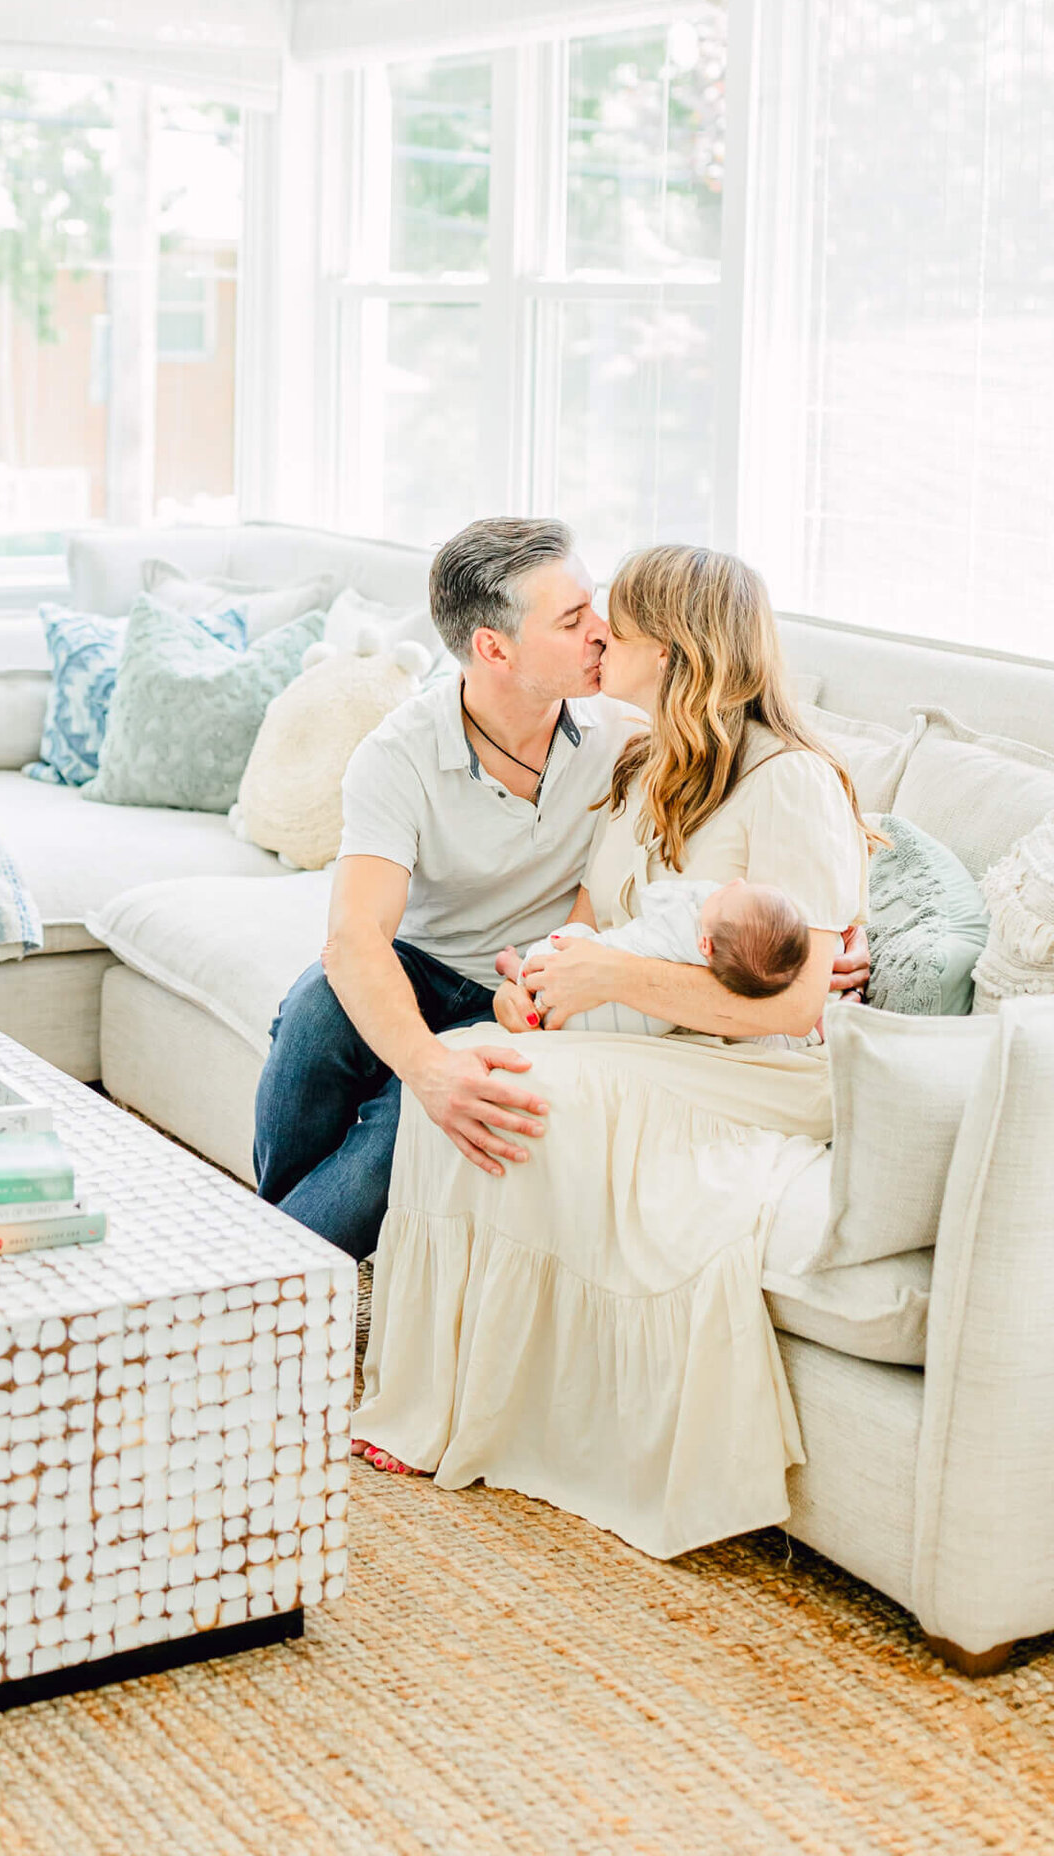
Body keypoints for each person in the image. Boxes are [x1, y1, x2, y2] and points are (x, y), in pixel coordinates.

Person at [349, 545, 877, 1559]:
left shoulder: (793, 783)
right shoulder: (644, 766)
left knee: (506, 1088)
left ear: (674, 652)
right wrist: (536, 985)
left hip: (758, 1073)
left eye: (616, 626)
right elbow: (586, 925)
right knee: (466, 1063)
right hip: (645, 1042)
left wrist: (610, 981)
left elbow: (799, 1006)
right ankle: (440, 1399)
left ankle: (508, 1411)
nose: (598, 639)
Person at [252, 517, 644, 1262]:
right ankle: (279, 1277)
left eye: (593, 604)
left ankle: (257, 1286)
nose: (603, 632)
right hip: (421, 964)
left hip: (525, 986)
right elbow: (357, 937)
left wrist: (834, 928)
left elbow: (762, 776)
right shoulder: (397, 755)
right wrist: (428, 1066)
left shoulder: (627, 729)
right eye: (573, 619)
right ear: (493, 648)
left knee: (398, 1138)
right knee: (314, 1013)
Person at [493, 876, 811, 1038]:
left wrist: (703, 893)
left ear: (705, 944)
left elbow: (657, 893)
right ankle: (519, 973)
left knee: (574, 937)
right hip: (603, 1027)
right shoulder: (727, 975)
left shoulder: (681, 925)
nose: (736, 882)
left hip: (559, 979)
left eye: (728, 894)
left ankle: (515, 967)